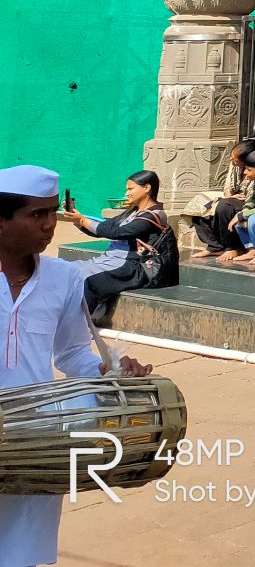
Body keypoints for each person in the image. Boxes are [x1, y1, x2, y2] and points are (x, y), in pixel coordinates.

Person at [0, 165, 152, 567]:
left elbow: (70, 353)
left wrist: (111, 369)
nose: (51, 225)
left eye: (53, 212)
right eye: (37, 215)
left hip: (35, 438)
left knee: (19, 549)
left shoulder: (63, 277)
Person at [61, 172, 177, 326]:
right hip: (110, 259)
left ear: (147, 188)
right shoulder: (132, 212)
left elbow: (118, 233)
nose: (126, 193)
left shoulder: (155, 215)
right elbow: (104, 228)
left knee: (90, 281)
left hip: (133, 265)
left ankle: (79, 326)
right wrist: (78, 220)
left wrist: (83, 220)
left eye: (130, 189)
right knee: (66, 271)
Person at [186, 138, 255, 260]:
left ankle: (233, 247)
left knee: (223, 206)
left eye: (235, 159)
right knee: (199, 202)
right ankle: (215, 246)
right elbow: (228, 186)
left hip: (251, 200)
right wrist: (229, 195)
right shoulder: (235, 166)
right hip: (233, 197)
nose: (231, 160)